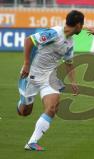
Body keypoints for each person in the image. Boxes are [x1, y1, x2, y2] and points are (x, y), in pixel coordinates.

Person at [17, 10, 84, 151]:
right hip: (32, 75)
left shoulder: (70, 42)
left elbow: (69, 62)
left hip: (49, 77)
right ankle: (21, 104)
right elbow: (29, 40)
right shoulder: (54, 33)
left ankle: (32, 142)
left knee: (53, 108)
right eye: (82, 24)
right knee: (25, 112)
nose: (82, 27)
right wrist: (27, 64)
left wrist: (73, 82)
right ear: (78, 25)